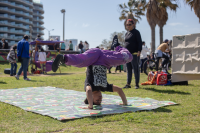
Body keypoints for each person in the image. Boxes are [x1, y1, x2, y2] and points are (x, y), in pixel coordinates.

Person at [52, 36, 132, 109]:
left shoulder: (90, 86)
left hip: (94, 56)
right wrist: (125, 103)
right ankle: (116, 46)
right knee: (127, 57)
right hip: (105, 59)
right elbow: (119, 90)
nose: (100, 99)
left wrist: (90, 106)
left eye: (97, 101)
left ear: (90, 97)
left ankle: (64, 58)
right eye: (100, 101)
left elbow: (88, 91)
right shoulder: (104, 87)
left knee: (82, 60)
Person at [123, 19, 142, 89]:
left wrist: (139, 50)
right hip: (127, 54)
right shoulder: (127, 33)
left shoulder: (136, 32)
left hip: (134, 53)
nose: (128, 26)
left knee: (136, 69)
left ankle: (136, 84)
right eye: (127, 25)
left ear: (133, 24)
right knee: (129, 69)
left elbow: (139, 42)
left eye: (129, 24)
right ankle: (128, 84)